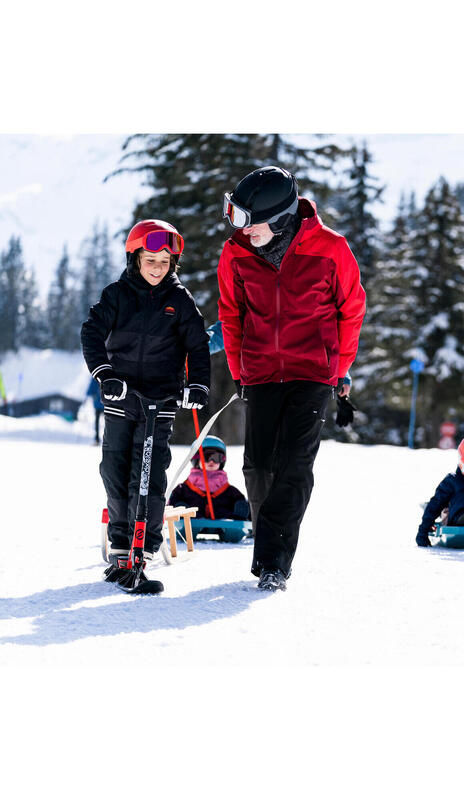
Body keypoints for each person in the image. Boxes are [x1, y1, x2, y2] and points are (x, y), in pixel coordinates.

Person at [217, 166, 366, 592]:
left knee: (295, 463)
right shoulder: (235, 254)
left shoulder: (331, 248)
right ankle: (269, 545)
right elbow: (231, 313)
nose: (240, 228)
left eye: (247, 219)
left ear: (279, 217)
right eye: (235, 217)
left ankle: (273, 561)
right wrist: (238, 370)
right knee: (258, 466)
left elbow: (351, 309)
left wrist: (338, 368)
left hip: (313, 371)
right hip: (260, 370)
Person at [81, 219, 210, 592]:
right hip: (121, 396)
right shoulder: (117, 295)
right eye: (150, 259)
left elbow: (197, 346)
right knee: (116, 470)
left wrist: (198, 384)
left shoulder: (180, 300)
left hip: (161, 399)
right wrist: (105, 373)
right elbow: (92, 331)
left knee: (149, 476)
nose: (157, 267)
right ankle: (121, 548)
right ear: (134, 257)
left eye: (165, 261)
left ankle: (144, 550)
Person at [168, 435, 250, 523]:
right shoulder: (183, 489)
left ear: (222, 460)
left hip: (225, 523)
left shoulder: (229, 490)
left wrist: (242, 509)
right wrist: (178, 507)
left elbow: (245, 505)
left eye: (216, 457)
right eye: (206, 457)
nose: (211, 461)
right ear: (196, 459)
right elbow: (171, 503)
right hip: (191, 524)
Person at [86, 377, 103, 444]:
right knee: (108, 422)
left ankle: (97, 439)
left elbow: (89, 392)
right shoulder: (107, 374)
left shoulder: (95, 377)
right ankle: (108, 439)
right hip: (106, 404)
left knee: (97, 422)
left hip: (98, 404)